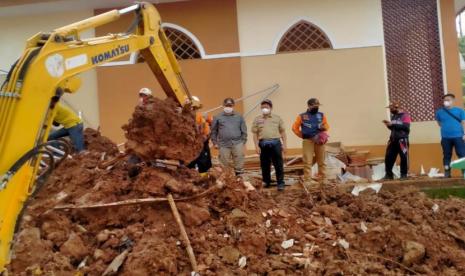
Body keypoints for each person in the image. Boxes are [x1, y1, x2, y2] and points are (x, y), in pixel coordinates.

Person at [252, 99, 287, 191]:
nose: (264, 109)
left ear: (271, 108)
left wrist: (285, 145)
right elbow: (255, 134)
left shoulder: (277, 118)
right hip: (263, 144)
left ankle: (280, 183)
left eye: (266, 107)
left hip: (275, 143)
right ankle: (266, 181)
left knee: (278, 164)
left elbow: (282, 132)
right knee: (264, 164)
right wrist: (256, 146)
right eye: (262, 107)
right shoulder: (257, 119)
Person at [292, 98, 329, 182]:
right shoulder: (301, 116)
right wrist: (303, 136)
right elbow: (294, 128)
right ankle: (308, 180)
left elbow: (326, 125)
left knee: (322, 161)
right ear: (309, 106)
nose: (316, 107)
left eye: (318, 106)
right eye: (314, 106)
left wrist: (324, 128)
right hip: (308, 141)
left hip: (319, 141)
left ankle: (323, 179)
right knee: (308, 161)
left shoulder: (321, 115)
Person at [211, 98, 247, 175]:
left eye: (230, 105)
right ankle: (226, 180)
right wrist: (215, 142)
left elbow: (244, 130)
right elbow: (214, 131)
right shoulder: (217, 117)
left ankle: (239, 178)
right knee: (224, 164)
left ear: (233, 105)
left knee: (239, 162)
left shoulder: (239, 116)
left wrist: (243, 142)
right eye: (227, 105)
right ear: (223, 105)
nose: (228, 107)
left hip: (237, 143)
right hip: (223, 144)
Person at [435, 93, 465, 178]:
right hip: (445, 138)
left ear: (453, 101)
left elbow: (463, 123)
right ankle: (447, 172)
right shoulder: (439, 112)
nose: (446, 102)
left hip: (459, 137)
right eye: (445, 100)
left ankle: (464, 172)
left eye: (448, 100)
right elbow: (439, 123)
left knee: (462, 154)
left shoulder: (460, 111)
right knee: (447, 155)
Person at [382, 102, 411, 180]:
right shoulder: (393, 116)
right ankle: (388, 175)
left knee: (403, 157)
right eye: (390, 109)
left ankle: (404, 174)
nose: (390, 110)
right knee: (388, 157)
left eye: (392, 108)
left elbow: (406, 127)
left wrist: (393, 125)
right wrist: (388, 126)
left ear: (397, 107)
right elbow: (393, 128)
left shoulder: (405, 116)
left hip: (402, 140)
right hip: (393, 139)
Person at [188, 101, 213, 174]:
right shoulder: (200, 116)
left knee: (202, 161)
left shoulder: (201, 116)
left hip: (200, 143)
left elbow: (207, 129)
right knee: (196, 161)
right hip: (195, 143)